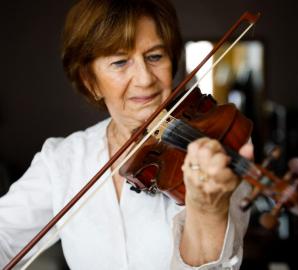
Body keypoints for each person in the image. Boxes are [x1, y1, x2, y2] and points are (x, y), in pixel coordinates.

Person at [0, 0, 253, 269]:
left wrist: (207, 210)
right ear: (90, 81)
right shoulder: (63, 160)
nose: (145, 79)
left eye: (155, 57)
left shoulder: (215, 154)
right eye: (121, 62)